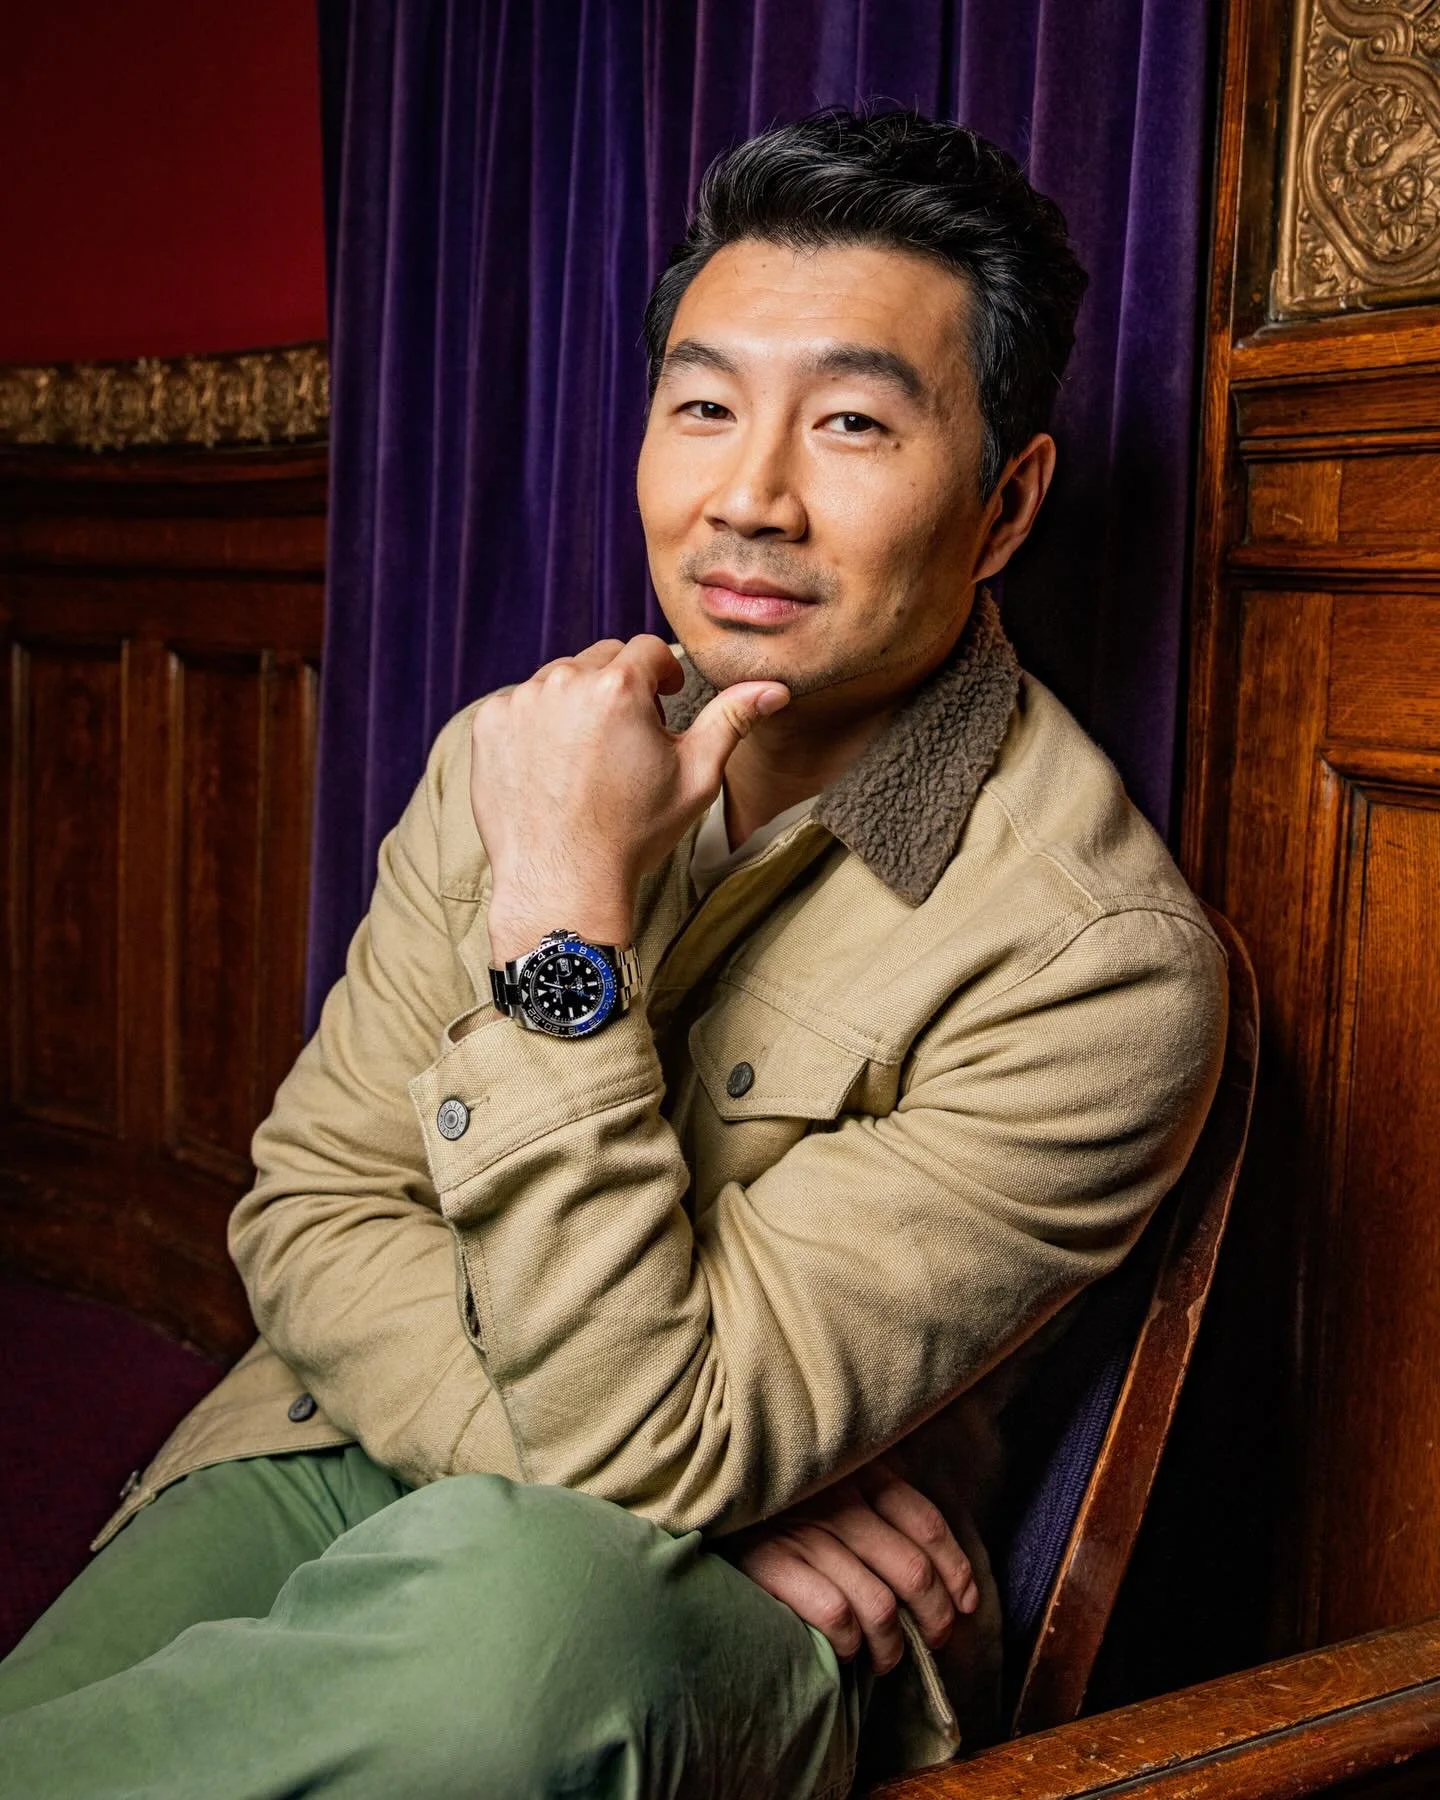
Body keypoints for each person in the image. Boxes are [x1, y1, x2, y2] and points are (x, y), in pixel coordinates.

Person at [0, 107, 1226, 1798]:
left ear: (1005, 504)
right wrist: (708, 1477)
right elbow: (307, 1206)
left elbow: (652, 1446)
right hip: (370, 1439)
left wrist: (565, 910)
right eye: (703, 406)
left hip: (718, 1616)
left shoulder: (1099, 965)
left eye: (854, 422)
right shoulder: (523, 746)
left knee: (514, 1647)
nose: (750, 495)